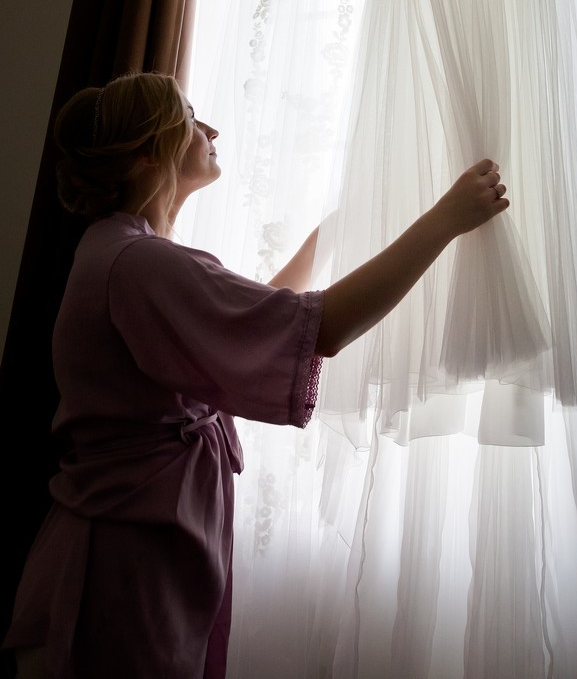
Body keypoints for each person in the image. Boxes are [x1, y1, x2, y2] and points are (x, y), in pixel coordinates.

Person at [4, 71, 509, 679]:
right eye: (191, 117)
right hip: (122, 563)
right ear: (149, 152)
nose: (210, 128)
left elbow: (260, 318)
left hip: (129, 544)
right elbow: (317, 330)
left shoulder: (121, 249)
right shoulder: (140, 263)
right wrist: (444, 221)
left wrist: (332, 231)